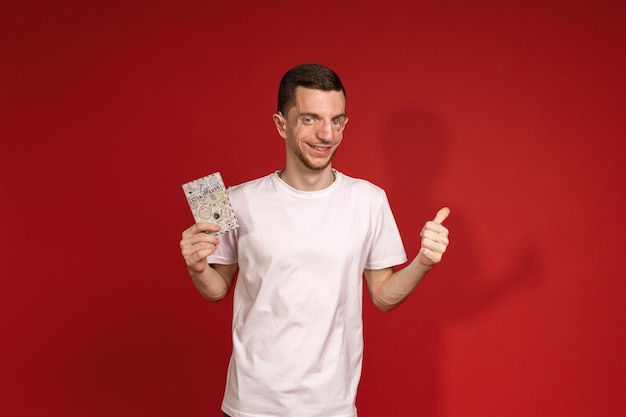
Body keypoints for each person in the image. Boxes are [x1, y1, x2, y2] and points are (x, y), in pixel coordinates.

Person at [179, 63, 450, 417]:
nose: (326, 134)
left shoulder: (368, 200)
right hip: (252, 404)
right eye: (310, 119)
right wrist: (198, 266)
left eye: (336, 121)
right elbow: (217, 289)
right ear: (281, 124)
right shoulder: (236, 200)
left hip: (331, 406)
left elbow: (383, 296)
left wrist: (423, 263)